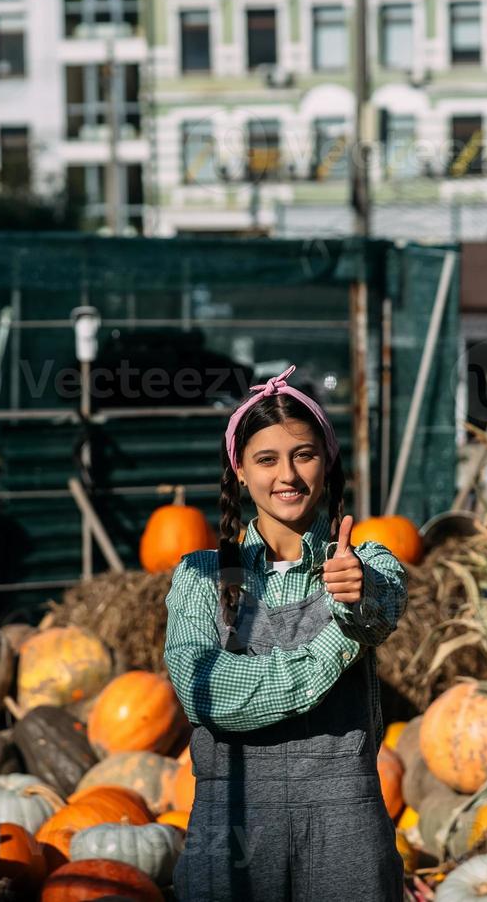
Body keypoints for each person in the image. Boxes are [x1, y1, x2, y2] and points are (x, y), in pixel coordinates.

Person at [164, 364, 408, 901]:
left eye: (304, 455)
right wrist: (333, 646)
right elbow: (207, 692)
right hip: (231, 821)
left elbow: (380, 609)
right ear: (241, 472)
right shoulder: (202, 576)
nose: (288, 477)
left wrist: (354, 597)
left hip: (348, 821)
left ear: (328, 462)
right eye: (267, 460)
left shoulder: (368, 563)